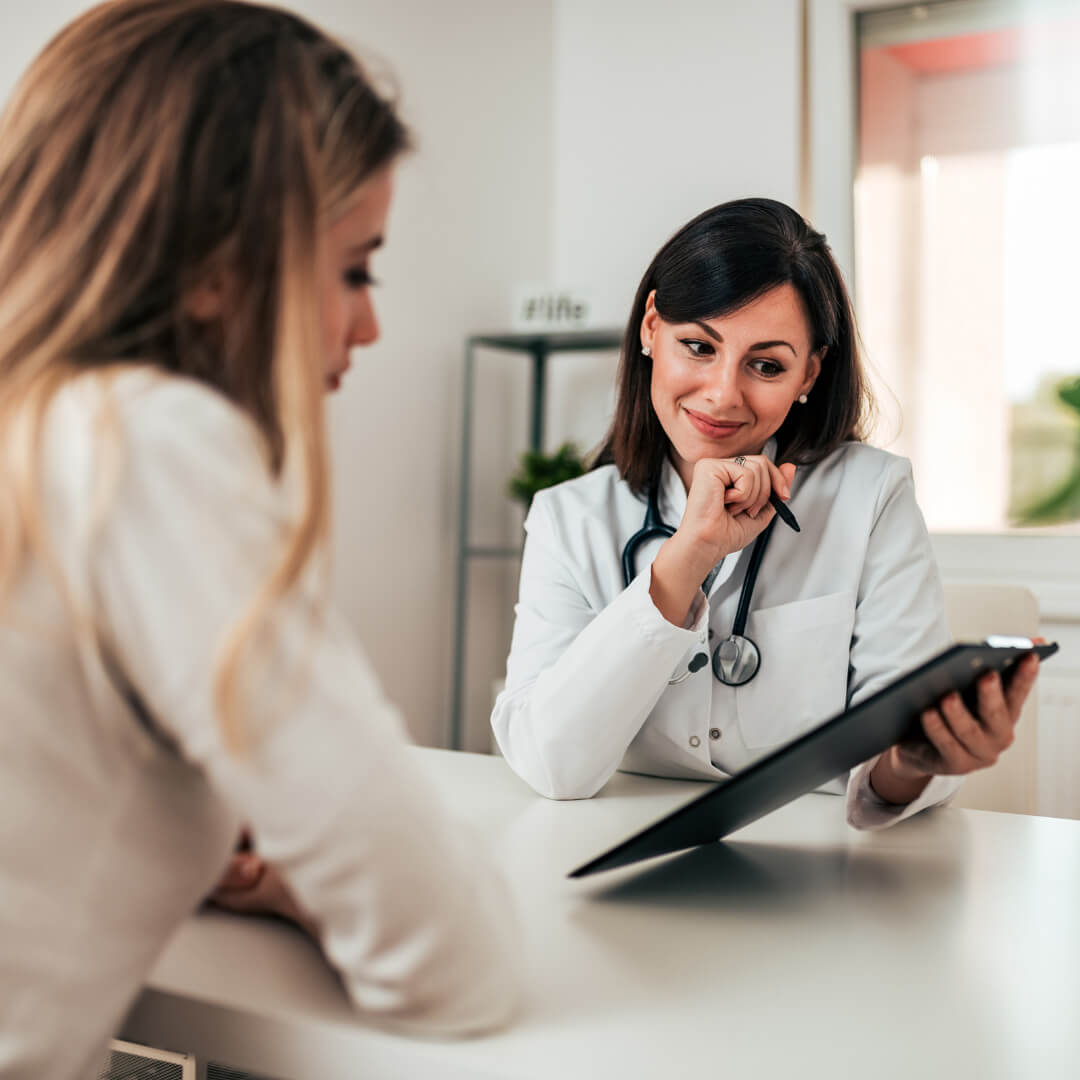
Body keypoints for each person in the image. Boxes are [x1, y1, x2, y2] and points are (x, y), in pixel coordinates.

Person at [0, 2, 520, 1075]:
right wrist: (299, 865)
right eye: (355, 269)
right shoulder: (144, 442)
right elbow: (448, 960)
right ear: (217, 265)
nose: (368, 324)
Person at [491, 197, 1042, 825]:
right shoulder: (569, 518)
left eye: (766, 365)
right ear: (651, 328)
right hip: (614, 852)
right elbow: (551, 765)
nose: (723, 394)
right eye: (698, 346)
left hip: (822, 871)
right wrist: (686, 557)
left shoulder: (871, 496)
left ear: (810, 371)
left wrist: (917, 760)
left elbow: (887, 757)